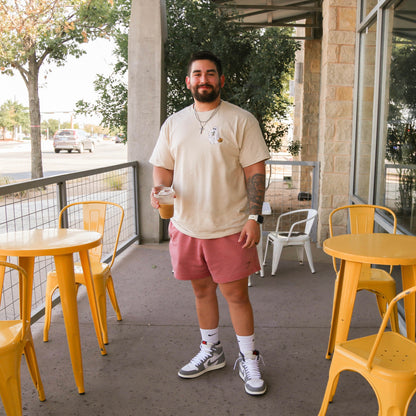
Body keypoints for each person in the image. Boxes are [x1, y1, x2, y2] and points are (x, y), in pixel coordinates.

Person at [149, 51, 270, 396]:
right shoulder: (174, 123)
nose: (204, 79)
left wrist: (253, 217)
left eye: (211, 73)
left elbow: (255, 172)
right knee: (202, 292)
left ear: (221, 80)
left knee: (236, 296)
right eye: (197, 74)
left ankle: (249, 357)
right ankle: (212, 350)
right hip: (186, 226)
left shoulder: (241, 120)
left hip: (231, 227)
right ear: (188, 82)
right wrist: (158, 190)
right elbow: (163, 168)